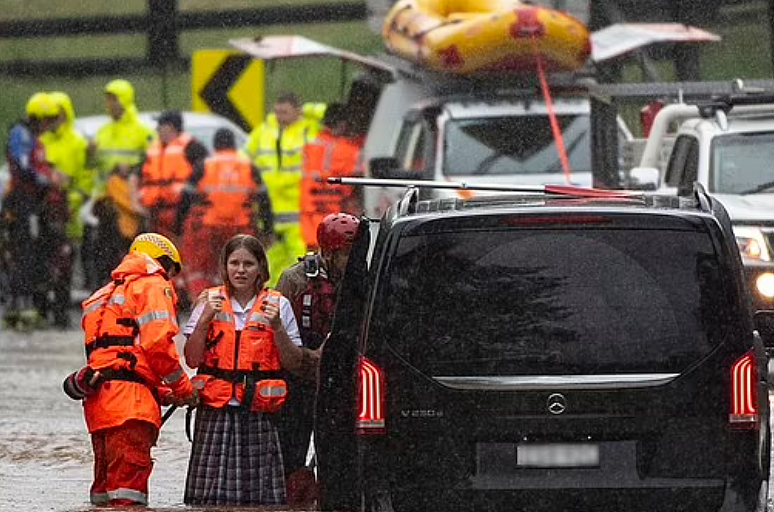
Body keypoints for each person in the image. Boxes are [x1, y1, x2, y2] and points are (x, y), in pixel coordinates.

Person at [64, 232, 198, 507]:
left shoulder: (101, 297)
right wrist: (183, 389)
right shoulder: (151, 284)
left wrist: (161, 393)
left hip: (100, 407)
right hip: (131, 409)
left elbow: (117, 361)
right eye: (171, 272)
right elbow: (158, 345)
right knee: (129, 497)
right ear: (163, 262)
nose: (170, 281)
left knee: (103, 495)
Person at [183, 234, 316, 506]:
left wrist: (278, 327)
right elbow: (192, 358)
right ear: (225, 267)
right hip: (216, 412)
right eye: (234, 263)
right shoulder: (208, 301)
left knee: (260, 499)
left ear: (261, 269)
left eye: (248, 264)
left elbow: (293, 362)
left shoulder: (278, 305)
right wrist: (204, 321)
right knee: (209, 498)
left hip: (259, 413)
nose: (240, 270)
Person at [275, 212, 360, 505]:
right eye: (346, 254)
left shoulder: (363, 282)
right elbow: (275, 335)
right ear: (328, 252)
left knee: (339, 455)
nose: (351, 261)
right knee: (290, 454)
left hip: (340, 382)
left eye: (355, 253)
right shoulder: (293, 280)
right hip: (299, 379)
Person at [180, 127, 274, 301]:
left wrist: (180, 227)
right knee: (240, 267)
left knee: (204, 270)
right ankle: (238, 303)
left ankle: (206, 305)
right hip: (241, 228)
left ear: (215, 145)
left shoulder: (204, 165)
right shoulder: (248, 166)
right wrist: (268, 230)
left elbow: (185, 199)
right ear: (234, 145)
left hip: (208, 228)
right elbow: (264, 200)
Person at [244, 92, 325, 286]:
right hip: (269, 207)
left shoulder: (309, 129)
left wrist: (308, 110)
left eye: (286, 112)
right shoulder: (263, 131)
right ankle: (270, 296)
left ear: (298, 111)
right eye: (278, 111)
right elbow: (246, 160)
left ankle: (300, 292)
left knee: (299, 255)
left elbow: (326, 113)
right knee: (272, 258)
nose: (281, 116)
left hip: (298, 204)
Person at [2, 92, 65, 329]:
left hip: (36, 202)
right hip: (21, 202)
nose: (49, 125)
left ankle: (30, 304)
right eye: (46, 119)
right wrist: (47, 180)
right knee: (23, 251)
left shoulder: (36, 139)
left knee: (36, 251)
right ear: (36, 117)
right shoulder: (21, 135)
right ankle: (20, 305)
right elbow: (23, 166)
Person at [88, 79, 155, 289]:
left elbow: (152, 163)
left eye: (114, 99)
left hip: (131, 203)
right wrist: (89, 154)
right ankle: (111, 289)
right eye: (107, 99)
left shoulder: (141, 131)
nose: (110, 104)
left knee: (132, 250)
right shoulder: (102, 132)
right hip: (108, 204)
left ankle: (132, 288)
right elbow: (92, 167)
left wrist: (133, 167)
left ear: (125, 100)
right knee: (106, 252)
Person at [40, 91, 92, 326]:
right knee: (45, 263)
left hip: (69, 214)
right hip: (46, 212)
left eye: (58, 114)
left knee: (66, 264)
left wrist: (72, 202)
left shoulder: (76, 142)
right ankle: (45, 310)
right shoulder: (42, 142)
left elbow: (85, 179)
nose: (54, 120)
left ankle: (61, 312)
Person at [300, 103, 363, 250]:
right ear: (342, 124)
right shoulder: (351, 151)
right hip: (338, 224)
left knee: (314, 266)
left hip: (311, 220)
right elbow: (361, 186)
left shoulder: (309, 147)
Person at [139, 110, 208, 240]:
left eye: (160, 125)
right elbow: (137, 175)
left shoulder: (193, 148)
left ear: (171, 127)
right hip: (155, 214)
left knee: (181, 253)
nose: (157, 129)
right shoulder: (153, 150)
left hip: (181, 212)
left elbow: (205, 177)